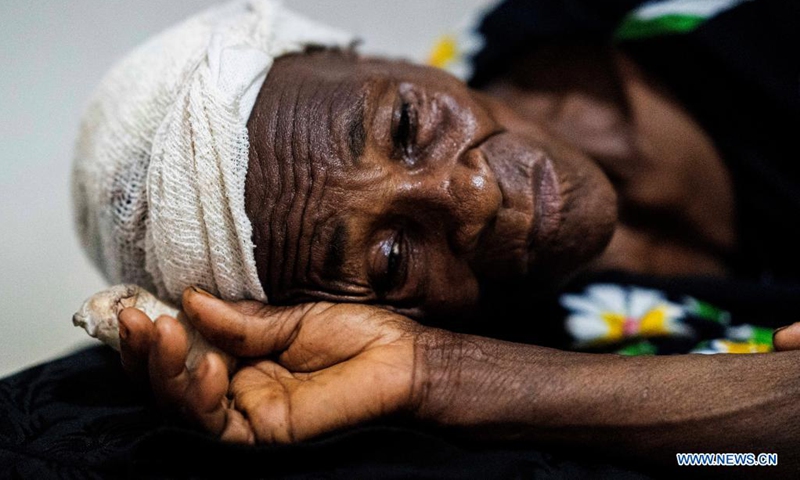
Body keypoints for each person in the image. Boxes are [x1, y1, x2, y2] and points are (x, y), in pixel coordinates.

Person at [71, 0, 800, 472]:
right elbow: (754, 459)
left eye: (406, 125)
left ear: (389, 60)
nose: (475, 196)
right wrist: (438, 375)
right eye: (393, 259)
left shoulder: (693, 21)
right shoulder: (517, 357)